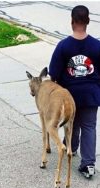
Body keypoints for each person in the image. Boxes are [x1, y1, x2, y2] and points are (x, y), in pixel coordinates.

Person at [49, 5, 100, 178]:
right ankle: (88, 165)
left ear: (72, 21)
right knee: (89, 126)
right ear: (88, 21)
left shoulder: (63, 46)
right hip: (91, 94)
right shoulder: (97, 46)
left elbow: (54, 73)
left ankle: (71, 147)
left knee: (73, 123)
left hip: (69, 96)